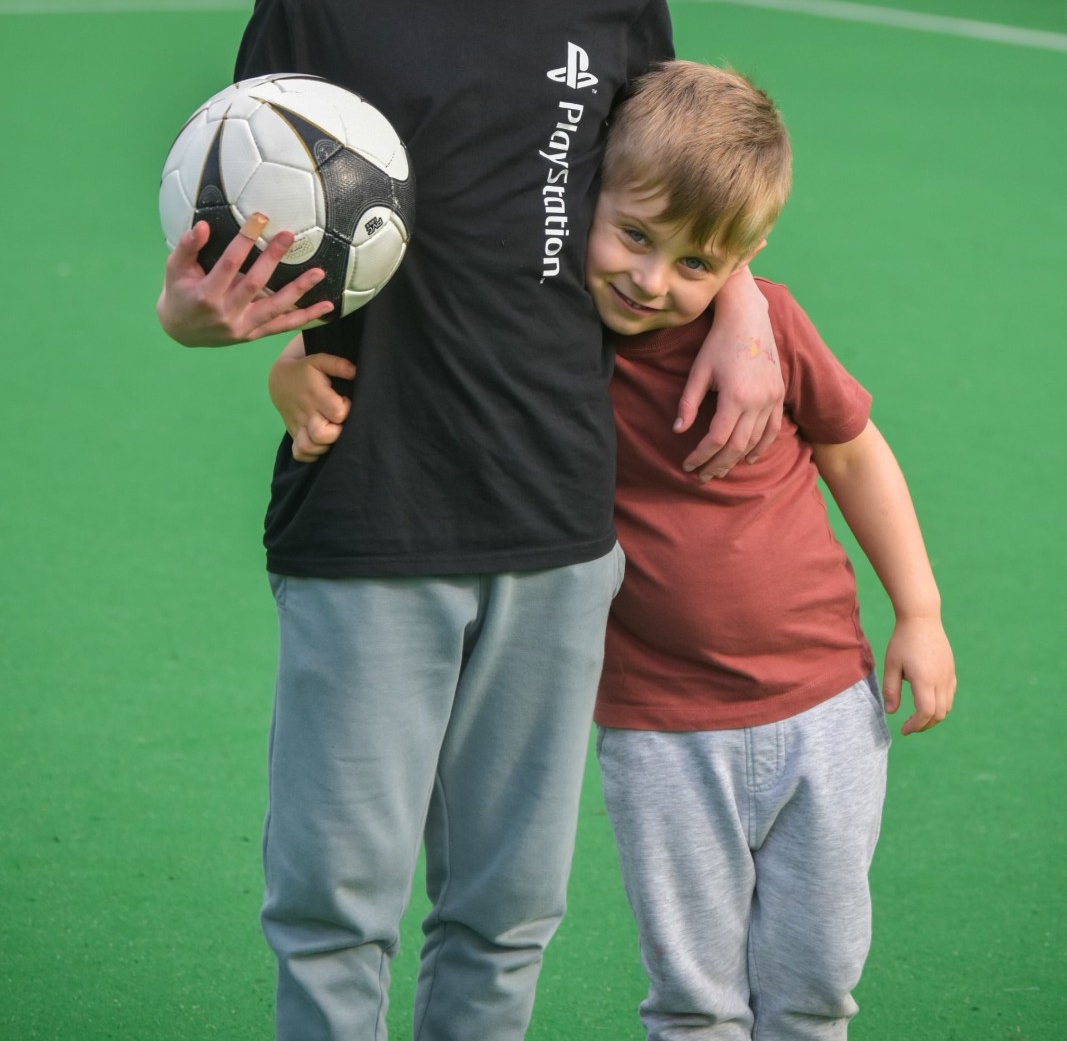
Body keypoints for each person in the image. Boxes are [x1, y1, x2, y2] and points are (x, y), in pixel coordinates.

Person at [156, 0, 785, 1041]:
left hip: (557, 520)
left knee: (504, 912)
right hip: (368, 510)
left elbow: (676, 204)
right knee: (335, 899)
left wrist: (739, 304)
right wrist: (207, 324)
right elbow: (232, 269)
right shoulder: (315, 0)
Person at [274, 60, 957, 1041]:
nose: (651, 281)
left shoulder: (769, 331)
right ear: (583, 195)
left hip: (827, 704)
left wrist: (920, 611)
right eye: (634, 236)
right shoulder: (540, 331)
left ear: (746, 257)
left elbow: (852, 453)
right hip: (658, 727)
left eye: (696, 264)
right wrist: (289, 376)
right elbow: (379, 338)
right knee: (692, 999)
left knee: (815, 985)